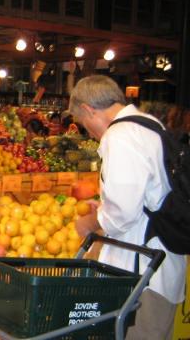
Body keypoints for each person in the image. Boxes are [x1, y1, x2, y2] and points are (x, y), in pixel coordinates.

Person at [69, 75, 185, 339]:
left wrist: (92, 222)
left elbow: (123, 212)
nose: (89, 133)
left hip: (142, 279)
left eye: (84, 125)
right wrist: (105, 204)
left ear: (89, 109)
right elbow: (143, 197)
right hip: (158, 268)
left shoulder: (120, 135)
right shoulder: (149, 126)